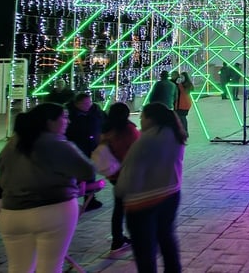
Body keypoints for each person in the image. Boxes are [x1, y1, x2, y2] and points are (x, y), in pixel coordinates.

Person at [0, 103, 95, 273]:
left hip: (11, 215)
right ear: (49, 122)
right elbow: (87, 171)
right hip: (53, 211)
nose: (68, 121)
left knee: (18, 268)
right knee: (50, 267)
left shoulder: (12, 145)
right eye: (64, 117)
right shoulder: (55, 143)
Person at [116, 102, 187, 273]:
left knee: (144, 249)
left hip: (143, 202)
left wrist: (120, 190)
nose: (140, 119)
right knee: (167, 238)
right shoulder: (176, 134)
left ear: (151, 119)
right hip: (171, 193)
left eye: (142, 116)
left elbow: (130, 176)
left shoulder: (145, 141)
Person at [100, 102, 141, 252]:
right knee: (134, 207)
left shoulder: (107, 130)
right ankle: (137, 236)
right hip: (129, 173)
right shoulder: (129, 130)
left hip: (114, 173)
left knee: (119, 207)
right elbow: (138, 150)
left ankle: (117, 238)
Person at [66, 93, 105, 211]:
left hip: (91, 147)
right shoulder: (70, 115)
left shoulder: (95, 112)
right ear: (77, 103)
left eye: (89, 102)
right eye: (85, 103)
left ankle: (90, 199)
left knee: (90, 173)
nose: (88, 105)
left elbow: (102, 123)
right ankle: (71, 199)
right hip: (76, 148)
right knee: (76, 175)